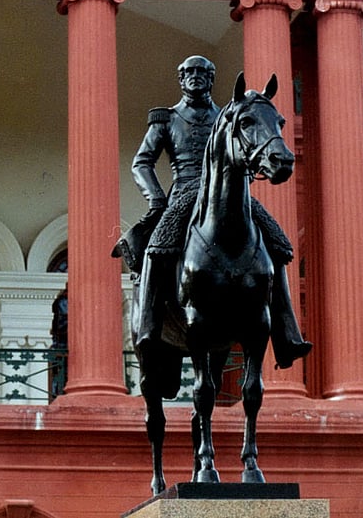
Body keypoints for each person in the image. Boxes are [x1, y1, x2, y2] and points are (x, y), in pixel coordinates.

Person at [114, 55, 311, 369]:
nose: (196, 77)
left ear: (212, 79)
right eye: (189, 72)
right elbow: (142, 163)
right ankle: (149, 326)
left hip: (230, 194)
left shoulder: (230, 115)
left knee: (279, 246)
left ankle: (287, 336)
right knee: (155, 247)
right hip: (183, 193)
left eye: (203, 72)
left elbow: (246, 150)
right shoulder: (166, 119)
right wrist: (156, 199)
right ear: (180, 79)